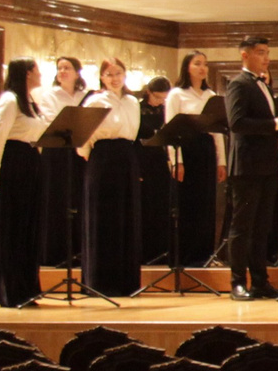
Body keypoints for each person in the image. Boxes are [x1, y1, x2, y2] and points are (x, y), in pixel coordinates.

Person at [218, 37, 278, 301]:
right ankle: (237, 281)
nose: (266, 58)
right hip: (247, 166)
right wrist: (274, 124)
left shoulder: (264, 85)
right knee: (242, 227)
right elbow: (237, 122)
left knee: (262, 227)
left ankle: (260, 281)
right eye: (261, 53)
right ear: (245, 55)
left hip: (267, 164)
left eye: (268, 53)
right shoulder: (238, 83)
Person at [0, 59, 49, 308]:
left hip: (30, 161)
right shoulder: (9, 100)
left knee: (28, 226)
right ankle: (10, 290)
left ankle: (27, 287)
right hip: (13, 164)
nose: (41, 75)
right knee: (13, 225)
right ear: (27, 73)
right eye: (37, 71)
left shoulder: (31, 102)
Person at [78, 59, 146, 298]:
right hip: (103, 157)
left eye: (118, 73)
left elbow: (133, 132)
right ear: (102, 77)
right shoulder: (95, 101)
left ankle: (126, 282)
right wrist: (91, 157)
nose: (114, 78)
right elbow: (83, 137)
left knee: (126, 216)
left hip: (127, 155)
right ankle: (101, 282)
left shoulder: (132, 102)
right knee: (104, 217)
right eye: (109, 74)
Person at [164, 53, 220, 270]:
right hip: (185, 150)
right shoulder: (176, 95)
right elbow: (170, 128)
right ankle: (184, 256)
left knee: (206, 203)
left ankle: (204, 254)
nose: (202, 68)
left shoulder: (211, 95)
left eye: (205, 64)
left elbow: (217, 132)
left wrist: (221, 161)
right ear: (187, 67)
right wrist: (175, 161)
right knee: (188, 203)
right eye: (197, 64)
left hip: (206, 149)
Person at [38, 55, 90, 266]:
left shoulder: (86, 95)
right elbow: (52, 122)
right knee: (57, 199)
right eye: (59, 68)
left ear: (77, 72)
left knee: (79, 198)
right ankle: (55, 252)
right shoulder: (48, 95)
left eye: (67, 68)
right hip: (56, 152)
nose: (62, 72)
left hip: (80, 150)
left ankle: (80, 250)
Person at [133, 73, 176, 268]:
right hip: (143, 160)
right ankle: (144, 253)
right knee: (145, 207)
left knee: (162, 206)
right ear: (149, 92)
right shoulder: (137, 109)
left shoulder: (166, 109)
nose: (161, 102)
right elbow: (135, 136)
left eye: (164, 98)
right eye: (157, 97)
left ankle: (162, 251)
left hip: (160, 160)